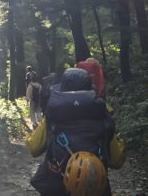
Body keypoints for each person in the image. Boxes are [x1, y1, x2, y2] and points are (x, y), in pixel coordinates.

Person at [25, 68, 125, 196]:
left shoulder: (54, 113)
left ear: (62, 89)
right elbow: (117, 161)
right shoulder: (102, 113)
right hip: (95, 189)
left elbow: (34, 148)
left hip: (58, 188)